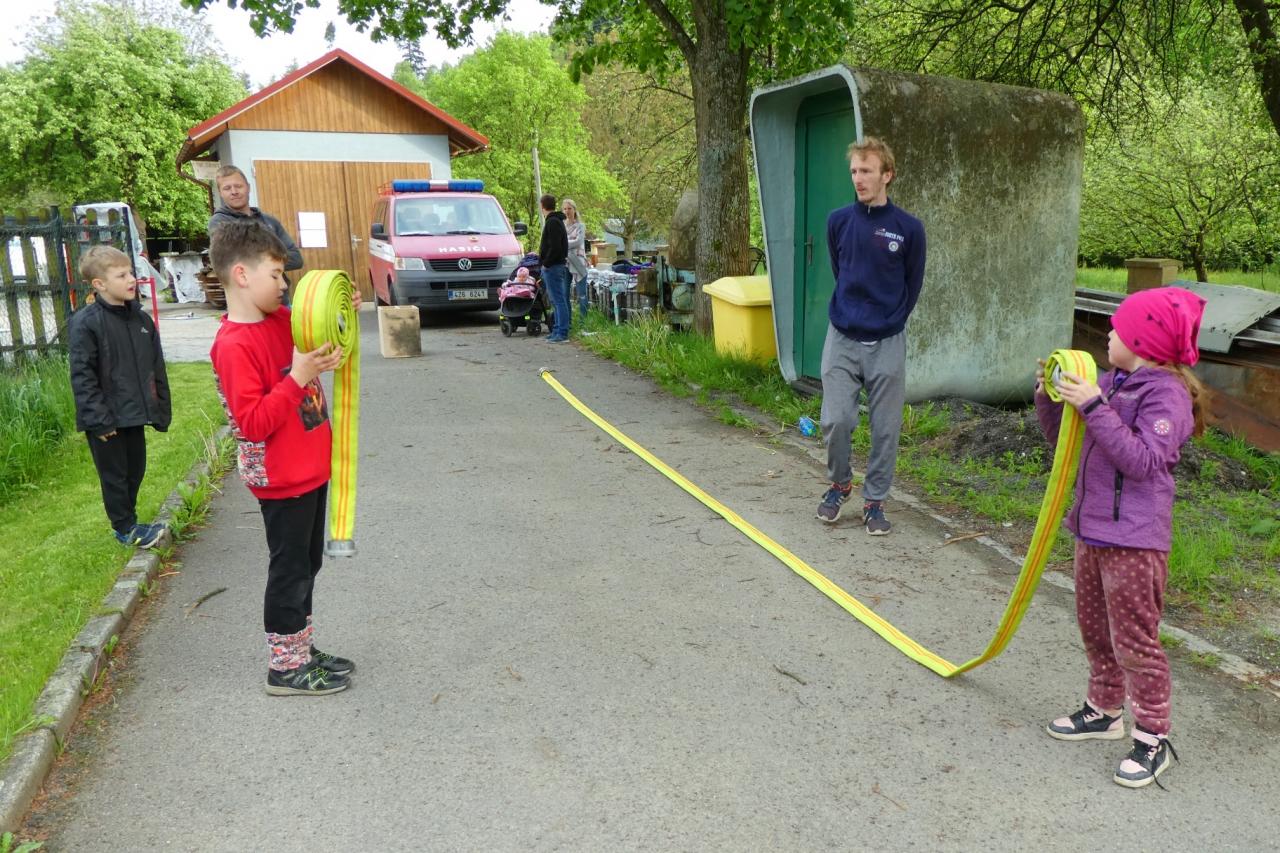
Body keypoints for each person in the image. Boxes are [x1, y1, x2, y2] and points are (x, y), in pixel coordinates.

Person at [1036, 285, 1206, 789]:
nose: (1107, 335)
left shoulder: (1166, 395)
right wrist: (1049, 397)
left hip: (1135, 539)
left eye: (1117, 329)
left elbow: (1142, 461)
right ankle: (1104, 710)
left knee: (1135, 641)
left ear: (1143, 343)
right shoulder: (1111, 383)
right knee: (1095, 628)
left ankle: (1153, 738)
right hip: (1091, 530)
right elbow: (1065, 441)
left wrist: (1094, 406)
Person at [208, 218, 356, 697]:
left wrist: (340, 312)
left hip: (309, 469)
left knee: (307, 564)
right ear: (242, 275)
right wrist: (297, 377)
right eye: (275, 274)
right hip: (281, 478)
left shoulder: (279, 322)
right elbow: (252, 422)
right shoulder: (233, 345)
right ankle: (285, 668)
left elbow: (316, 328)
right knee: (290, 570)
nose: (283, 283)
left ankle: (301, 649)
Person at [816, 137, 926, 535]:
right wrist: (855, 313)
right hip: (842, 336)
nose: (858, 179)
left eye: (866, 171)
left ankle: (875, 500)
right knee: (836, 419)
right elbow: (840, 269)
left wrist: (889, 320)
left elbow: (912, 285)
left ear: (887, 175)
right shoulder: (838, 222)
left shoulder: (909, 229)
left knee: (885, 428)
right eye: (854, 171)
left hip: (887, 340)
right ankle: (840, 484)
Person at [69, 245, 172, 548]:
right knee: (114, 475)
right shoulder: (87, 323)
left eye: (130, 273)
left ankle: (130, 520)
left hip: (133, 413)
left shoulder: (141, 321)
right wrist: (99, 420)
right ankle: (125, 527)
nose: (131, 280)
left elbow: (156, 367)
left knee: (134, 470)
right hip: (106, 418)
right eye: (122, 275)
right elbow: (83, 376)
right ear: (99, 284)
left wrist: (160, 408)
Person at [208, 165, 304, 304]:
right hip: (247, 305)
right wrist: (275, 256)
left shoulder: (270, 222)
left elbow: (296, 259)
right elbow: (235, 263)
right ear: (220, 193)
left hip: (281, 301)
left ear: (248, 187)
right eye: (227, 188)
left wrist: (256, 259)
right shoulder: (219, 223)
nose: (234, 192)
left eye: (238, 186)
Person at [539, 193, 571, 342]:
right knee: (555, 300)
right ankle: (557, 329)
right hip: (555, 265)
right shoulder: (556, 221)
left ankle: (562, 332)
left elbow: (555, 246)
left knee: (558, 300)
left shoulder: (552, 222)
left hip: (553, 266)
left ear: (542, 206)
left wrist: (546, 263)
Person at [563, 198, 590, 317]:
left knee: (582, 294)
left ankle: (583, 322)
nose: (567, 211)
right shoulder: (561, 226)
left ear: (574, 210)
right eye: (565, 209)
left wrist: (563, 243)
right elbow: (557, 242)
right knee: (564, 294)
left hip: (578, 262)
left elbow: (578, 242)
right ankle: (567, 321)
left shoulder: (580, 226)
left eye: (569, 208)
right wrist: (567, 243)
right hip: (565, 262)